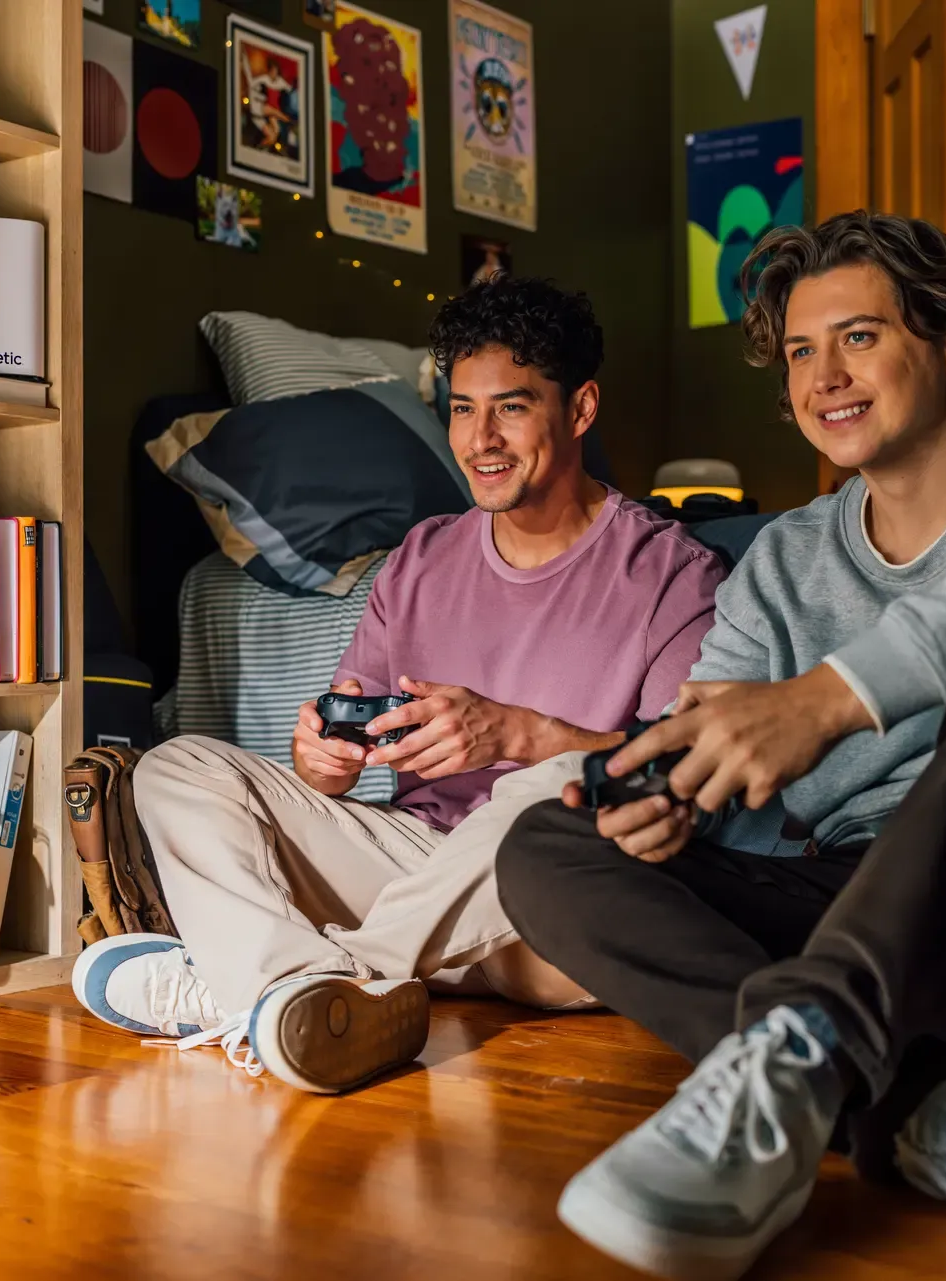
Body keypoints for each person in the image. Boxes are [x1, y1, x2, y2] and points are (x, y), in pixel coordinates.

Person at [495, 212, 946, 1279]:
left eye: (859, 338)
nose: (824, 376)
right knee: (541, 849)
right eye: (800, 350)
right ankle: (916, 1103)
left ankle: (810, 1046)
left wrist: (833, 699)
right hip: (859, 911)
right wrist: (673, 798)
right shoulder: (783, 558)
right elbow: (718, 731)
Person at [72, 276, 724, 1095]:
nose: (480, 438)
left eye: (511, 408)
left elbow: (689, 775)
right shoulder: (421, 558)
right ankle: (295, 994)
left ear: (581, 408)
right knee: (177, 768)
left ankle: (275, 986)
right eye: (460, 408)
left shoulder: (672, 571)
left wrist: (521, 734)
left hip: (561, 901)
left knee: (548, 786)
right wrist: (324, 764)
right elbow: (335, 764)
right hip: (414, 869)